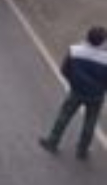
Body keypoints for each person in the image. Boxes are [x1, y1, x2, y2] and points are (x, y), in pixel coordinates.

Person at [39, 26, 107, 160]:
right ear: (102, 42)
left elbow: (64, 69)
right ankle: (82, 150)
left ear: (88, 37)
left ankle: (52, 141)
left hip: (77, 91)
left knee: (64, 116)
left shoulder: (75, 50)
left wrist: (73, 82)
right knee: (90, 122)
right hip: (96, 96)